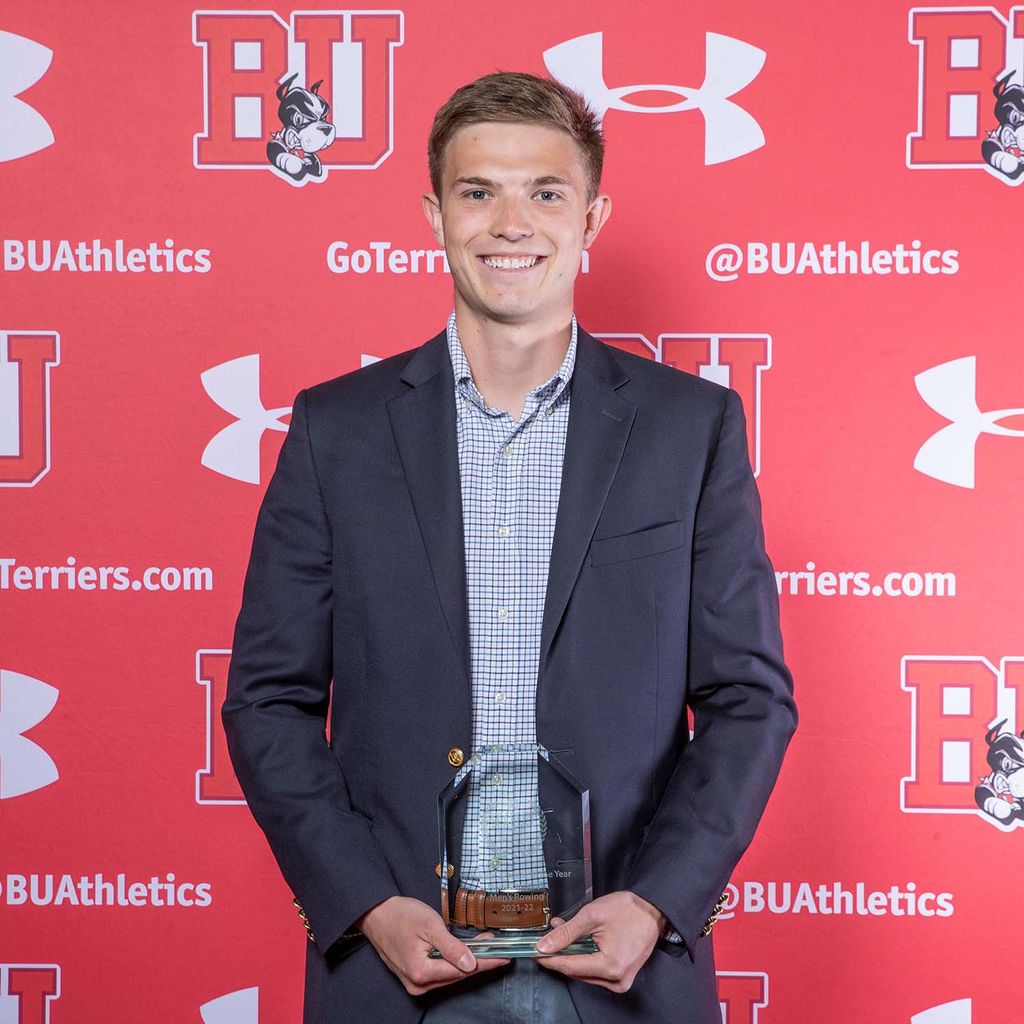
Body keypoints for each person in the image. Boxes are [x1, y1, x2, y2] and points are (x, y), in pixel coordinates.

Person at [223, 71, 797, 1024]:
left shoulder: (689, 430)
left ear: (593, 215)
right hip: (399, 969)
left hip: (620, 973)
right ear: (433, 212)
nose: (510, 223)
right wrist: (365, 903)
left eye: (545, 192)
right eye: (477, 190)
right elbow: (266, 696)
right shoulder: (338, 432)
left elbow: (748, 700)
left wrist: (658, 902)